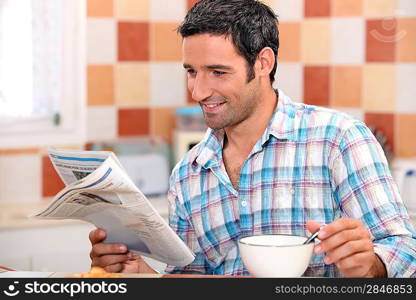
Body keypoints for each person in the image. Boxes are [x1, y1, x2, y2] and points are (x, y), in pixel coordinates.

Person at [89, 0, 416, 277]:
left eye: (218, 72)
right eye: (191, 71)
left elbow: (405, 250)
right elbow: (191, 278)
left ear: (263, 63)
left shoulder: (338, 139)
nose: (198, 91)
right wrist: (141, 274)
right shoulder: (188, 173)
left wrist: (371, 264)